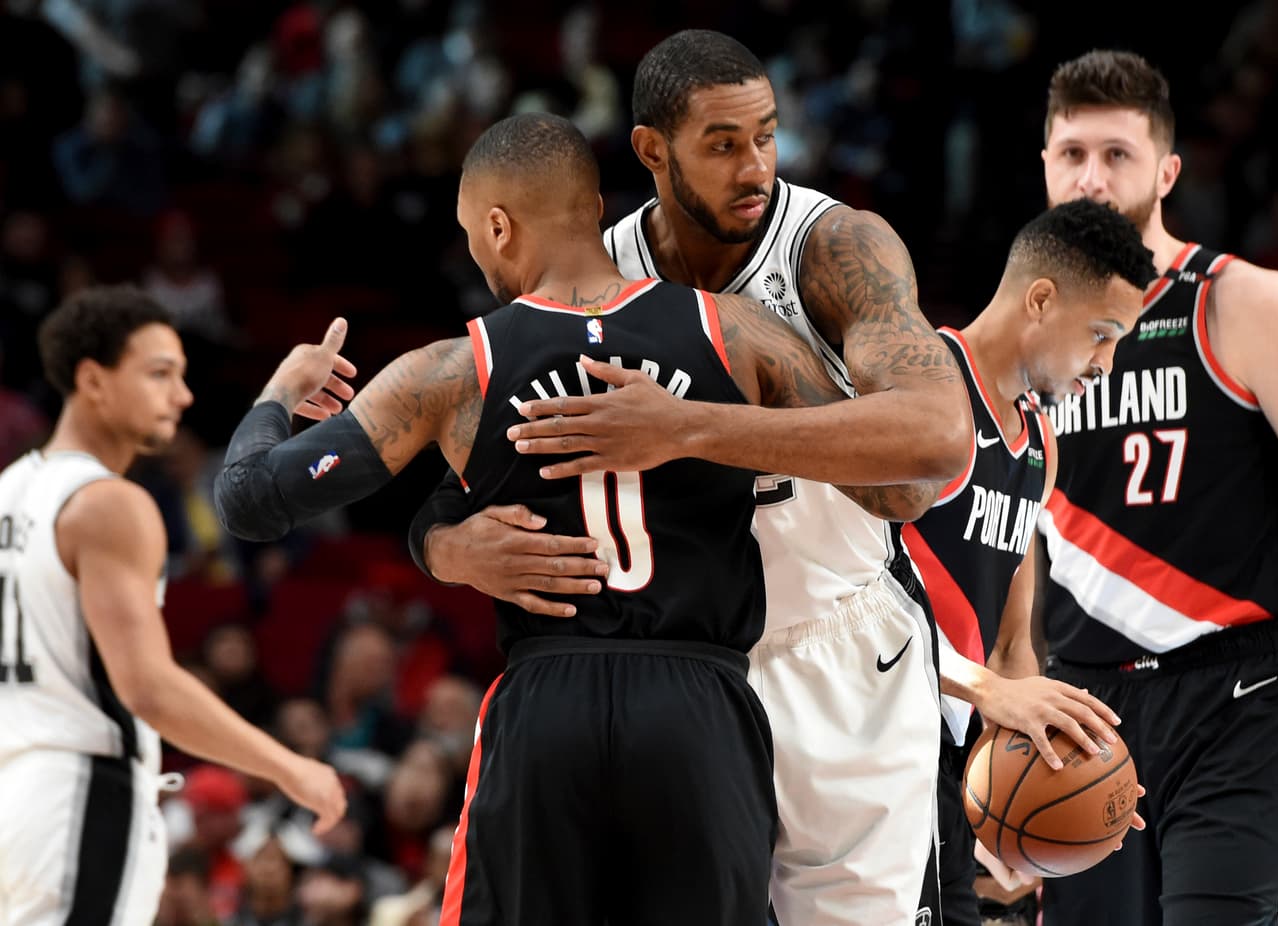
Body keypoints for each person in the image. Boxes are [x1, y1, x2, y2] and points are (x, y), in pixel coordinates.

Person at [211, 111, 926, 926]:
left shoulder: (453, 368)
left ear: (497, 225)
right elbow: (900, 486)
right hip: (700, 705)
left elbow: (250, 500)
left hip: (549, 700)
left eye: (471, 237)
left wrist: (279, 394)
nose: (477, 258)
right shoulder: (734, 332)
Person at [412, 29, 972, 925]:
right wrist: (447, 547)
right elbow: (476, 455)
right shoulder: (595, 269)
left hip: (837, 648)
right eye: (721, 144)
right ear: (650, 151)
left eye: (766, 135)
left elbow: (935, 445)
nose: (755, 166)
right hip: (679, 675)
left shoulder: (833, 248)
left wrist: (688, 428)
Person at [0, 285, 346, 925]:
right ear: (92, 380)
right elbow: (150, 689)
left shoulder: (12, 488)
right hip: (77, 790)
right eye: (159, 374)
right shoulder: (111, 503)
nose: (182, 397)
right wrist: (290, 768)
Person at [1034, 49, 1278, 925]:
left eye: (1117, 154)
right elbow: (1013, 537)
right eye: (1071, 154)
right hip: (1084, 711)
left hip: (1236, 698)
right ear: (1044, 165)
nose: (1091, 178)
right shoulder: (1028, 335)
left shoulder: (1238, 302)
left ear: (1167, 170)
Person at [896, 198, 1156, 924]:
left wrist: (1047, 768)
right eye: (1100, 336)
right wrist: (985, 690)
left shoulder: (1040, 445)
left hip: (941, 751)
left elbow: (1012, 645)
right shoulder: (922, 391)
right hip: (858, 730)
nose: (1106, 363)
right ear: (1041, 299)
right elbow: (843, 603)